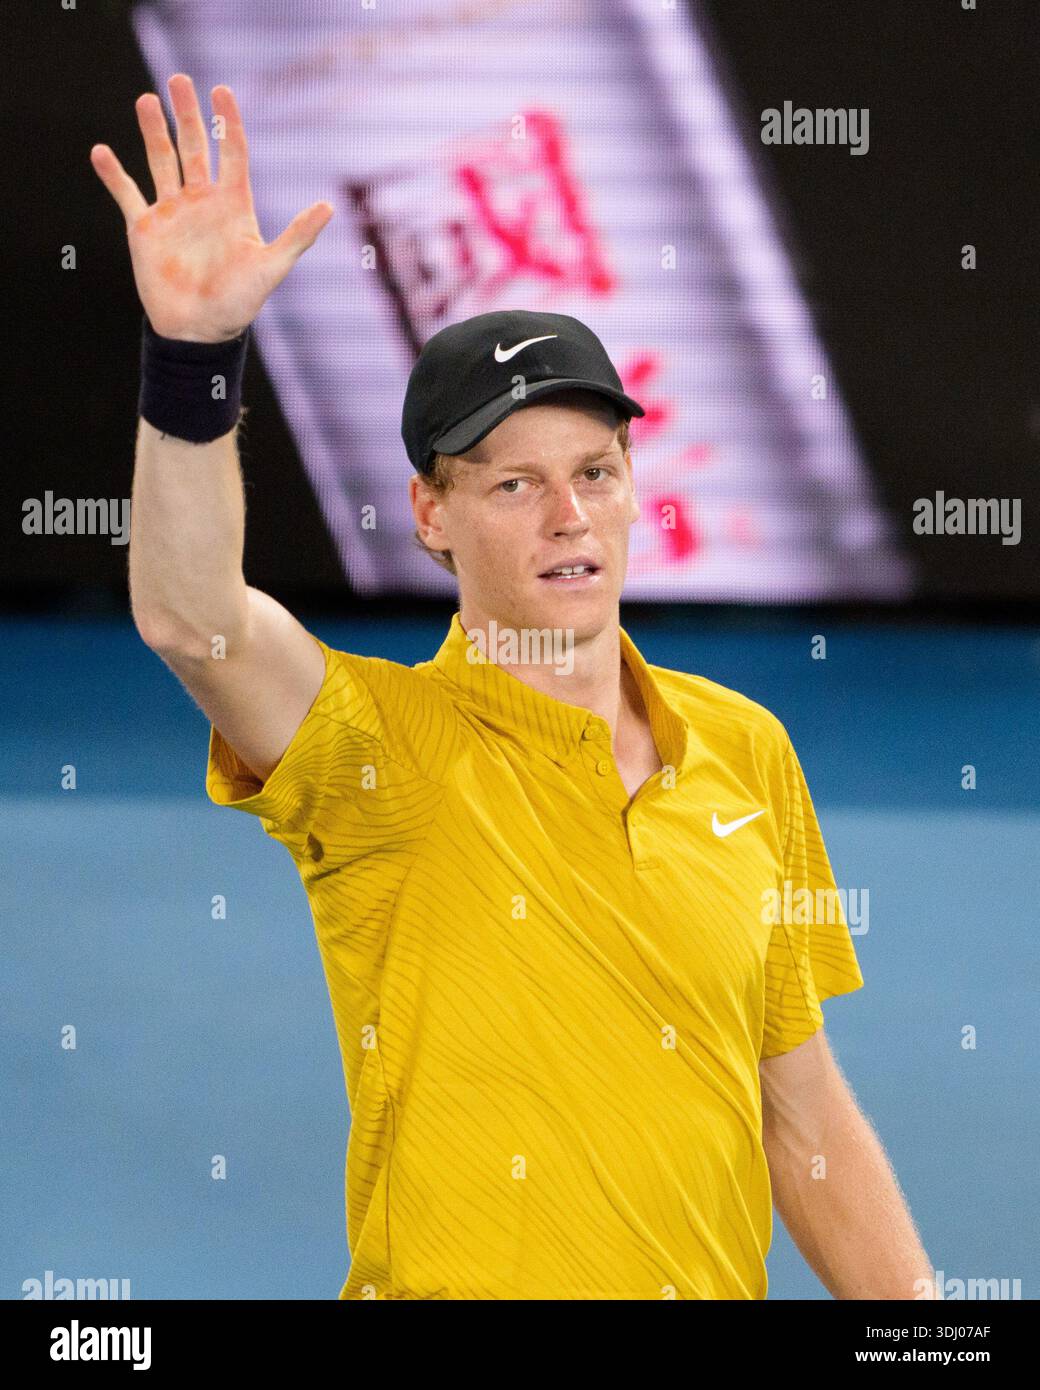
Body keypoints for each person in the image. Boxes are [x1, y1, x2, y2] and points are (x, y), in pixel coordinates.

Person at [92, 73, 936, 1301]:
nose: (567, 518)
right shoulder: (371, 747)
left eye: (594, 471)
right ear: (429, 513)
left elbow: (798, 1110)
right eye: (511, 484)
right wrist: (191, 358)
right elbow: (188, 614)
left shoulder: (745, 749)